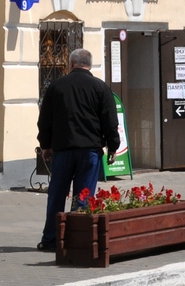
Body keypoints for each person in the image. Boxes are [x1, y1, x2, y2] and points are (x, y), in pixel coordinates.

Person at [37, 48, 120, 252]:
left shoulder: (56, 86)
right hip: (90, 151)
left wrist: (45, 146)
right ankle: (77, 241)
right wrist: (112, 147)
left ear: (71, 63)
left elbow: (45, 120)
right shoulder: (100, 87)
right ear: (89, 65)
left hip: (63, 150)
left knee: (56, 195)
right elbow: (110, 120)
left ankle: (50, 240)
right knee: (83, 197)